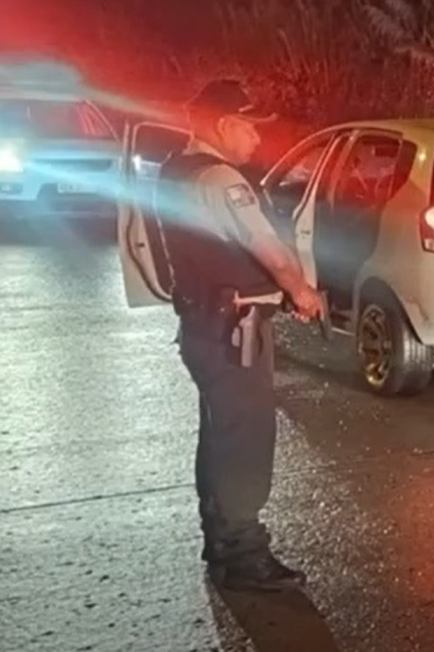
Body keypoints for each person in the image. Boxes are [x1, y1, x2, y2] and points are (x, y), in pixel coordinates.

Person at [152, 78, 326, 592]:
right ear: (225, 124)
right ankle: (244, 551)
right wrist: (302, 293)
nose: (256, 139)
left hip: (202, 326)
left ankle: (221, 540)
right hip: (235, 331)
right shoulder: (220, 179)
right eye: (252, 127)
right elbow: (269, 251)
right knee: (246, 438)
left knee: (220, 435)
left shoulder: (173, 171)